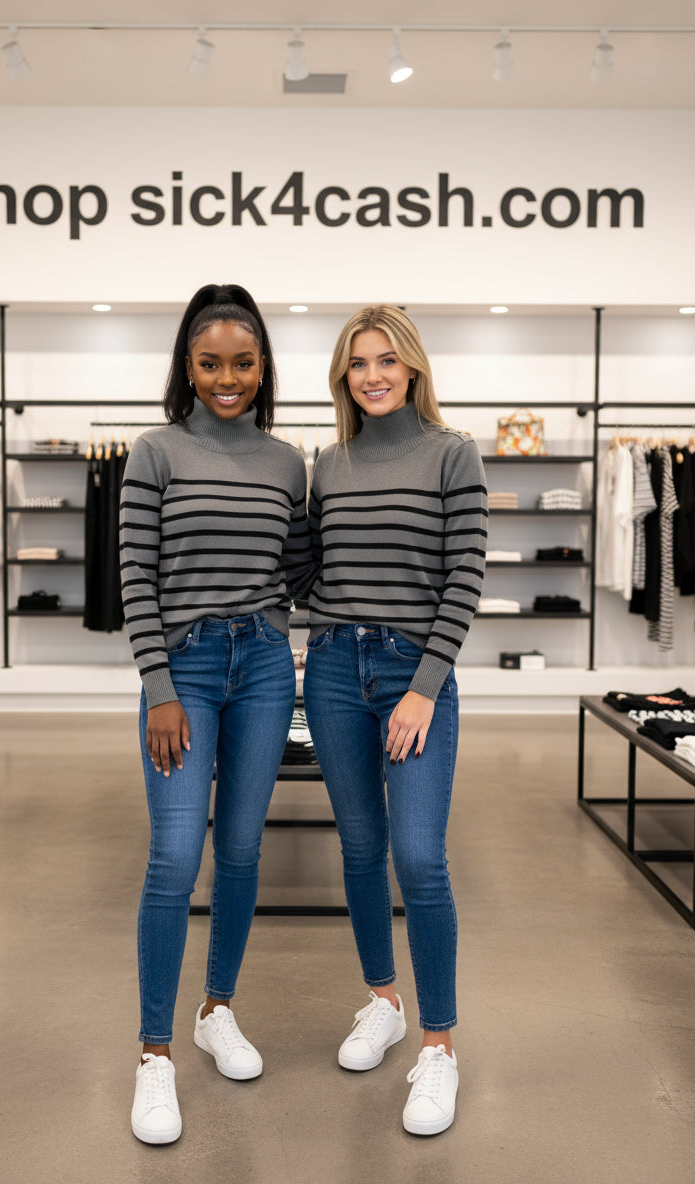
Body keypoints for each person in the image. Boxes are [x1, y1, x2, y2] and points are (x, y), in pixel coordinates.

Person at [120, 283, 316, 1144]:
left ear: (263, 365)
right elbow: (135, 579)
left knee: (239, 851)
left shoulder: (286, 462)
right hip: (186, 669)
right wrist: (160, 685)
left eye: (242, 363)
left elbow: (304, 570)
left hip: (268, 664)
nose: (227, 378)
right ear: (187, 368)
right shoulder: (153, 452)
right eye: (210, 364)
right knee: (173, 853)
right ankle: (154, 1056)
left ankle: (217, 1009)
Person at [303, 305, 487, 1135]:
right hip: (334, 667)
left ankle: (440, 1048)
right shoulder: (329, 463)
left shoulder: (453, 454)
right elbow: (306, 567)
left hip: (415, 674)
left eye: (386, 359)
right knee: (358, 844)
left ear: (412, 367)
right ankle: (383, 999)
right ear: (344, 375)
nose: (372, 374)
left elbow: (465, 577)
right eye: (357, 363)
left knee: (418, 856)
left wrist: (424, 684)